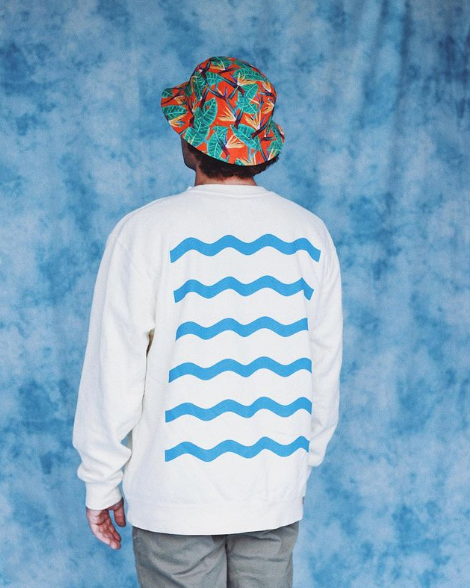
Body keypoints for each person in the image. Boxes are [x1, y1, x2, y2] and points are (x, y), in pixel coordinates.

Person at [72, 55, 343, 588]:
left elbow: (114, 369)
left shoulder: (144, 231)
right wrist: (301, 461)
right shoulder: (310, 235)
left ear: (190, 140)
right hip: (273, 488)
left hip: (174, 493)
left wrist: (101, 481)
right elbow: (324, 362)